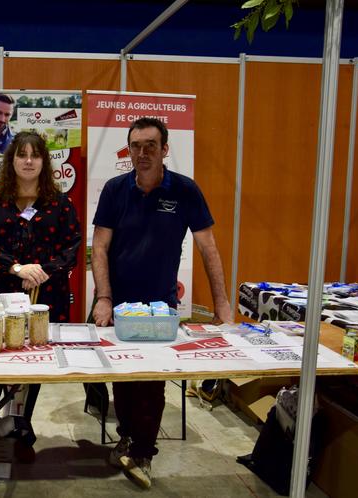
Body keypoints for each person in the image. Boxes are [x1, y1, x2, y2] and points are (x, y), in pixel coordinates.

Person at [91, 117, 232, 489]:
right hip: (117, 303)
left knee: (153, 381)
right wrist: (103, 297)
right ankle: (126, 435)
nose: (142, 153)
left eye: (150, 145)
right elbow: (99, 247)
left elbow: (209, 249)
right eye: (135, 146)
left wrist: (223, 306)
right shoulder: (114, 189)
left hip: (160, 306)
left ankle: (143, 452)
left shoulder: (185, 191)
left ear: (164, 149)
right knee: (120, 377)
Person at [0, 131, 82, 446]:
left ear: (45, 161)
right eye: (22, 155)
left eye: (35, 155)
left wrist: (43, 271)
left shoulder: (60, 202)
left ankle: (20, 421)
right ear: (12, 160)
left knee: (34, 360)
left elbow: (72, 246)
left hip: (47, 294)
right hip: (0, 290)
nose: (29, 161)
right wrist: (18, 267)